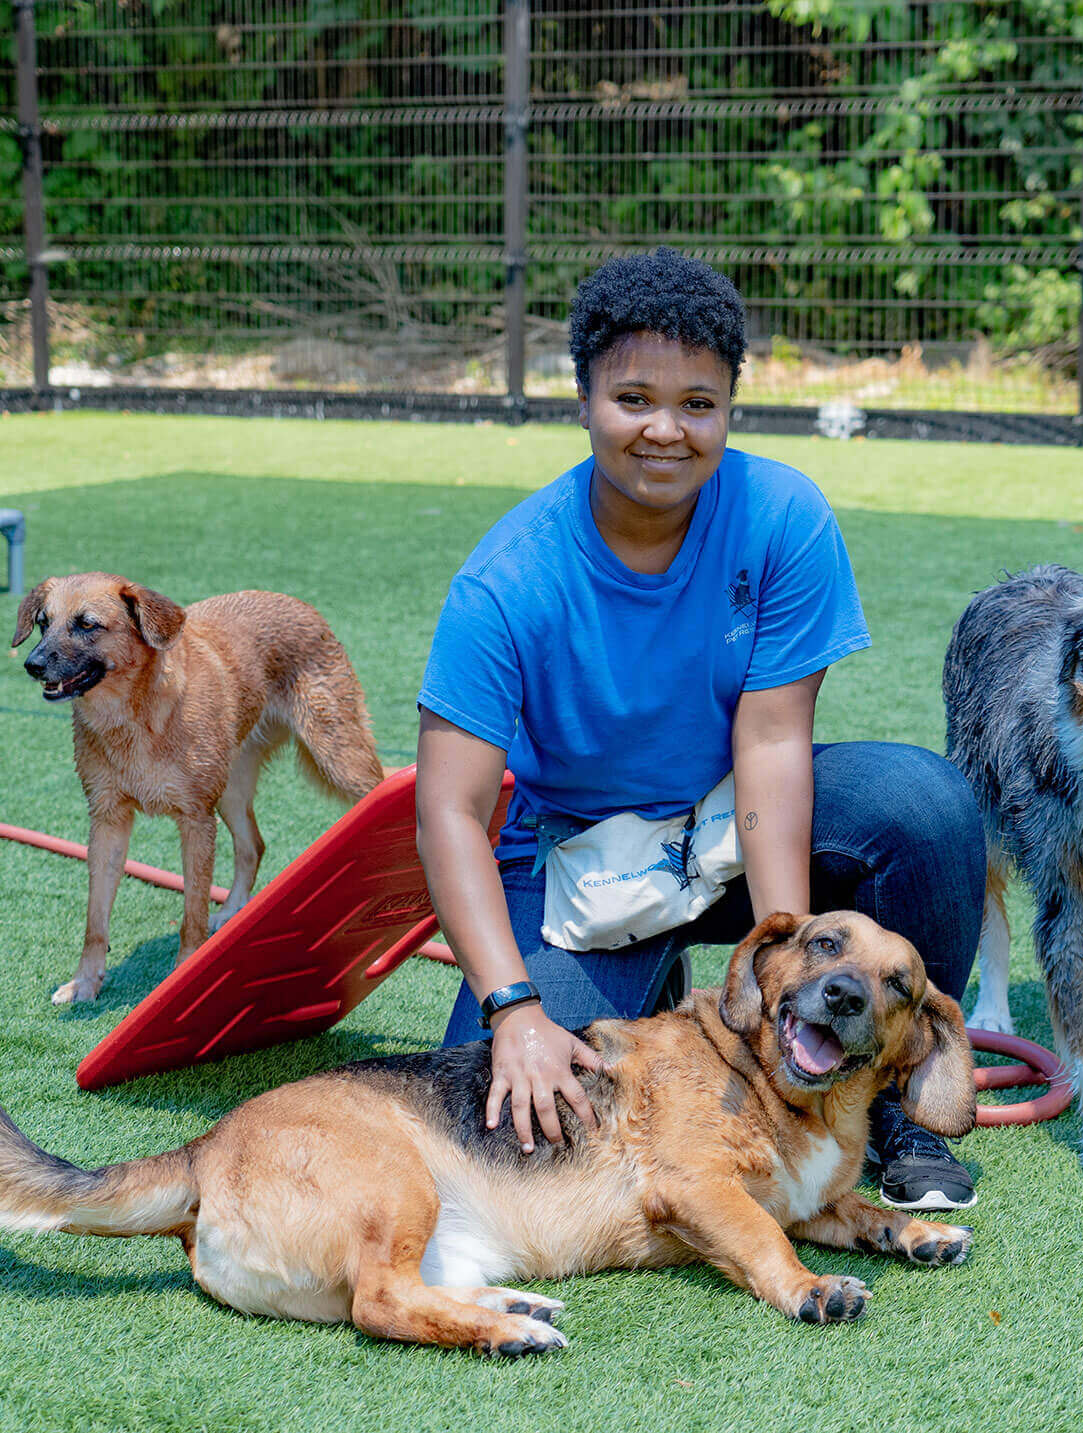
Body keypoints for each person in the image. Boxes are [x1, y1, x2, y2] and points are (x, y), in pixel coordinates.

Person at [413, 248, 984, 1210]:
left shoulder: (781, 516)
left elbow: (769, 748)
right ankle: (639, 976)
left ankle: (873, 1105)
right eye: (633, 398)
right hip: (585, 867)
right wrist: (512, 1008)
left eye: (699, 404)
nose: (665, 430)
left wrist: (791, 974)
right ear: (584, 399)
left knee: (921, 804)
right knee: (508, 1126)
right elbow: (450, 816)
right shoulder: (506, 581)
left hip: (725, 827)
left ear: (731, 406)